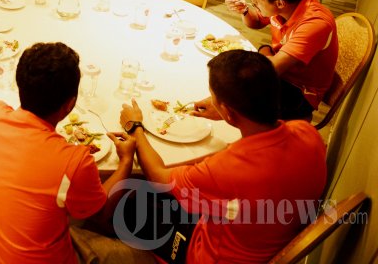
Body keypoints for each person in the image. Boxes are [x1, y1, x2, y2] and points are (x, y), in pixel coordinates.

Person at [120, 50, 327, 263]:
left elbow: (158, 177)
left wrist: (135, 127)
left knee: (129, 202)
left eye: (214, 97)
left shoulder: (224, 170)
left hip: (211, 255)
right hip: (270, 235)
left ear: (228, 111)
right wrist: (229, 112)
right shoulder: (307, 132)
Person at [0, 42, 137, 263]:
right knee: (140, 253)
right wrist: (126, 161)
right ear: (70, 104)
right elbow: (100, 212)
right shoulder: (74, 162)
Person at [197, 0, 338, 121]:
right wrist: (245, 11)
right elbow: (256, 22)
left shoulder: (315, 24)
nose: (253, 2)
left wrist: (220, 101)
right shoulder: (290, 1)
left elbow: (270, 71)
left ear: (280, 3)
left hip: (299, 91)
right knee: (243, 68)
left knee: (232, 95)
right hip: (279, 67)